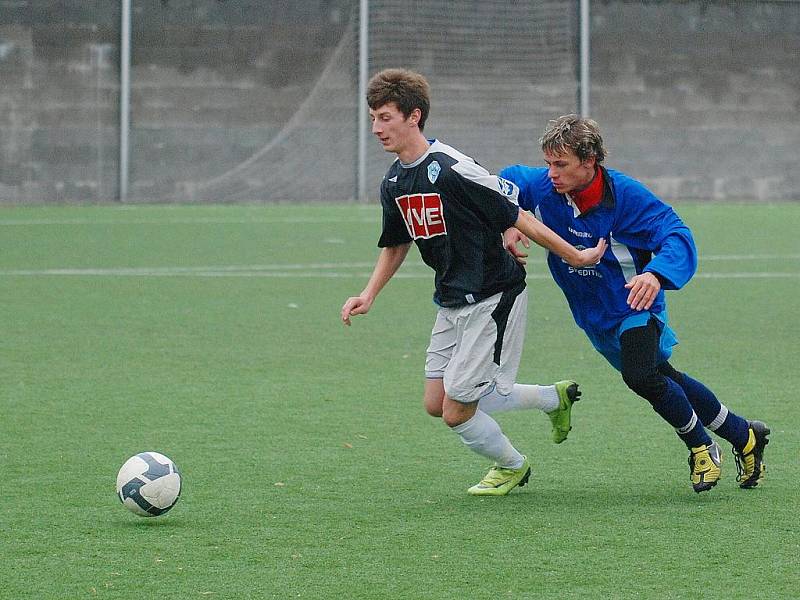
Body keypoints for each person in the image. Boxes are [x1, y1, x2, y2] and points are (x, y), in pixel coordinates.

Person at [340, 69, 606, 496]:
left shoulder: (452, 169)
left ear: (414, 116)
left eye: (385, 117)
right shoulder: (394, 181)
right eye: (373, 117)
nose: (376, 128)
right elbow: (396, 243)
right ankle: (553, 398)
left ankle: (512, 466)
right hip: (450, 298)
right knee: (437, 403)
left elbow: (514, 211)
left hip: (492, 293)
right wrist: (368, 294)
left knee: (456, 411)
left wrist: (574, 255)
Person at [499, 114, 770, 493]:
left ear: (589, 161)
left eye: (561, 164)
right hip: (594, 315)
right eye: (548, 163)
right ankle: (745, 437)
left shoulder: (626, 197)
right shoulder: (545, 187)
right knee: (665, 377)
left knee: (641, 375)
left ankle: (701, 447)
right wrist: (510, 220)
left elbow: (676, 233)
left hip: (635, 305)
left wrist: (655, 274)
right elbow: (502, 186)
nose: (551, 174)